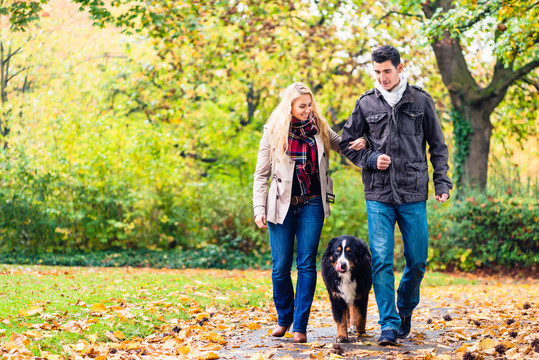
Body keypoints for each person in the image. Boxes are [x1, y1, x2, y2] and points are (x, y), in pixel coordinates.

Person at [339, 45, 453, 346]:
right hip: (378, 194)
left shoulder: (421, 100)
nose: (382, 77)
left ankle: (404, 309)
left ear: (399, 68)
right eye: (376, 72)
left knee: (417, 261)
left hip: (414, 192)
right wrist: (371, 159)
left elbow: (438, 146)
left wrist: (442, 183)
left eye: (387, 71)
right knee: (381, 261)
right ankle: (388, 324)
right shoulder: (365, 104)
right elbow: (347, 143)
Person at [253, 82, 366, 343]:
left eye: (309, 104)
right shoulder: (273, 131)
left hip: (312, 203)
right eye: (302, 106)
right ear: (289, 106)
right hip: (280, 205)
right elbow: (261, 174)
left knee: (306, 265)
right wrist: (259, 208)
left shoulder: (320, 128)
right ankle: (284, 318)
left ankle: (300, 326)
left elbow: (342, 145)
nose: (307, 110)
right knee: (280, 266)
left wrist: (360, 144)